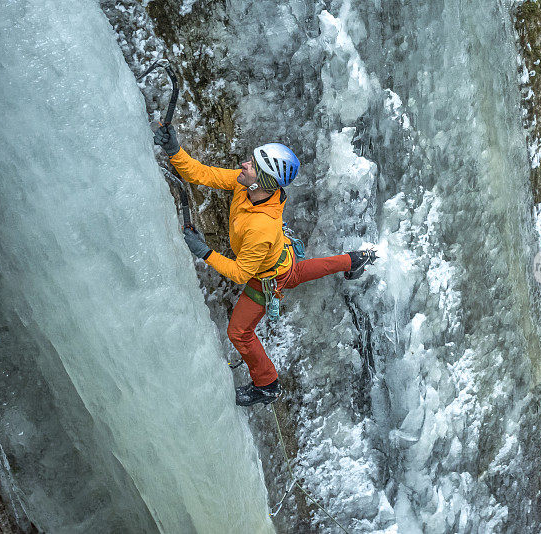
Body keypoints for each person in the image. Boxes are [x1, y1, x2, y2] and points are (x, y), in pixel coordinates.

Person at [154, 125, 376, 406]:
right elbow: (202, 173)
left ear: (261, 183)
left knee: (239, 332)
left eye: (252, 166)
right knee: (298, 272)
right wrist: (174, 150)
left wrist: (205, 252)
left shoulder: (261, 227)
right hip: (282, 258)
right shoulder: (246, 185)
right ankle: (354, 261)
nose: (244, 164)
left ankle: (267, 384)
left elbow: (241, 273)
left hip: (266, 277)